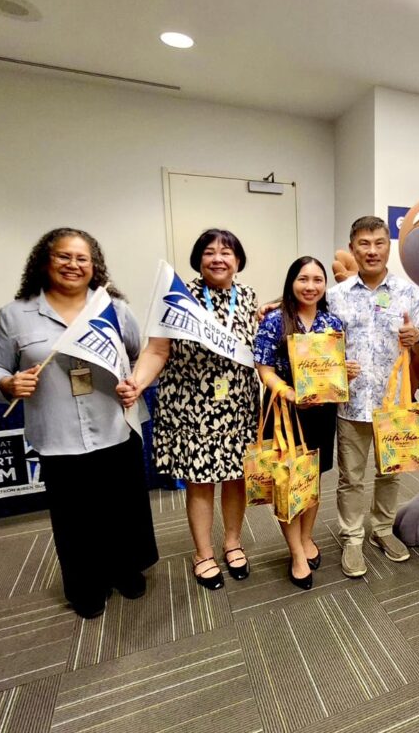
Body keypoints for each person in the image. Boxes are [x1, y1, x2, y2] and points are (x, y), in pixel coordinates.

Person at [0, 228, 158, 619]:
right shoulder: (15, 315)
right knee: (75, 519)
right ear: (45, 261)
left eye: (83, 259)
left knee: (122, 509)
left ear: (95, 267)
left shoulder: (112, 309)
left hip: (115, 426)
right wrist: (7, 383)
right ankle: (86, 586)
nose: (73, 265)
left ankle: (125, 570)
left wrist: (135, 383)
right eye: (64, 257)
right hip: (58, 435)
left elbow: (137, 355)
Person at [118, 229, 259, 591]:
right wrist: (139, 381)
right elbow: (157, 351)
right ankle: (203, 552)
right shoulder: (178, 298)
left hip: (239, 404)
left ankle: (232, 542)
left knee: (236, 476)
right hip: (191, 404)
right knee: (200, 480)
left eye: (226, 252)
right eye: (209, 252)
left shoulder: (248, 297)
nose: (218, 258)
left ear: (238, 261)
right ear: (198, 260)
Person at [327, 216, 419, 578]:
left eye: (379, 242)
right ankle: (353, 537)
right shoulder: (335, 295)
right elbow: (320, 344)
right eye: (364, 244)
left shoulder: (409, 292)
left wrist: (416, 336)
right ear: (352, 247)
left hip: (394, 404)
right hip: (351, 402)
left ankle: (383, 530)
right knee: (351, 477)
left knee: (391, 473)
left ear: (389, 246)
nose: (372, 250)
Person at [254, 256, 344, 590]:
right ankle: (295, 553)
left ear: (325, 284)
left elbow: (332, 366)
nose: (310, 286)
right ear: (292, 282)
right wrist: (287, 392)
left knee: (313, 480)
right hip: (284, 410)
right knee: (287, 483)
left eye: (317, 279)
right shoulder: (275, 320)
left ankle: (307, 537)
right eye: (303, 279)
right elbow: (264, 368)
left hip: (321, 412)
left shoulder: (331, 321)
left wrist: (343, 372)